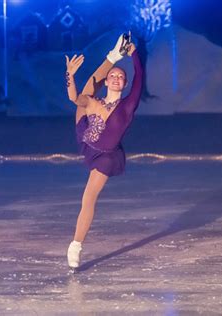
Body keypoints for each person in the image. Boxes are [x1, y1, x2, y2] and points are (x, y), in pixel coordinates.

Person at [64, 33, 142, 269]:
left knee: (88, 197)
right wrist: (69, 74)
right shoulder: (94, 101)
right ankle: (112, 56)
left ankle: (76, 244)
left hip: (107, 155)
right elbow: (74, 97)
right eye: (113, 76)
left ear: (124, 84)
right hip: (86, 137)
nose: (117, 78)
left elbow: (140, 77)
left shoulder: (127, 106)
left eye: (121, 76)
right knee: (87, 92)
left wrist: (134, 53)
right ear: (107, 82)